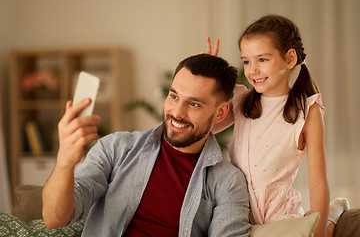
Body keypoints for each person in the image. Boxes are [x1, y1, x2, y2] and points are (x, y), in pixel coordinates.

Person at [42, 53, 251, 236]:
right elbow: (55, 219)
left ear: (221, 112)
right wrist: (64, 163)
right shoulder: (116, 149)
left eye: (194, 103)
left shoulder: (228, 182)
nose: (177, 112)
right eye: (174, 96)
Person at [206, 15, 349, 237]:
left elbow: (318, 181)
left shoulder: (306, 111)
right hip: (240, 216)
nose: (252, 70)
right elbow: (205, 127)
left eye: (262, 59)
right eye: (246, 61)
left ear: (290, 58)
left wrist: (319, 233)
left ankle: (332, 214)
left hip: (283, 218)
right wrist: (209, 82)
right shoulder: (241, 102)